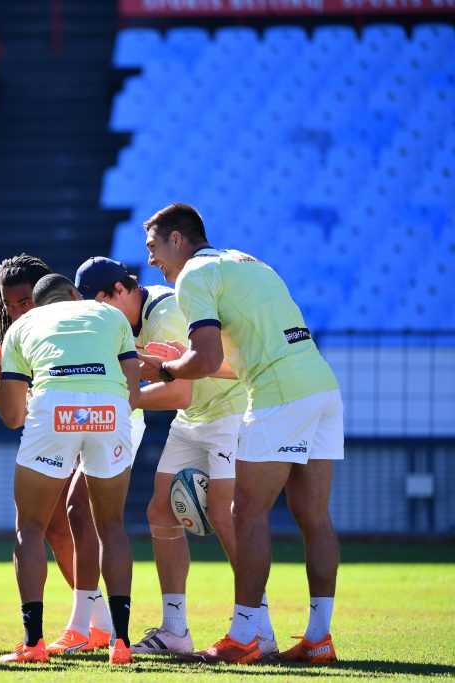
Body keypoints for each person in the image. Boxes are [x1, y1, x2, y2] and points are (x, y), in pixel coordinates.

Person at [140, 203, 342, 665]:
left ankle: (245, 636)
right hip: (321, 387)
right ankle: (319, 638)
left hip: (278, 395)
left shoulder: (193, 275)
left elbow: (206, 359)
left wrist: (166, 368)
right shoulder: (248, 261)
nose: (151, 259)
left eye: (153, 247)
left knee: (245, 513)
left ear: (177, 240)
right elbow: (235, 363)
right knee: (314, 516)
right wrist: (178, 362)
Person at [75, 257, 270, 656]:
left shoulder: (164, 315)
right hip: (194, 417)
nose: (98, 315)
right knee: (160, 512)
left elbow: (178, 391)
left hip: (229, 413)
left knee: (226, 516)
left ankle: (258, 630)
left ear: (120, 290)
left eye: (100, 304)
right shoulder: (124, 320)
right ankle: (175, 630)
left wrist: (117, 401)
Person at [0, 255, 143, 654]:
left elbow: (12, 417)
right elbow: (133, 393)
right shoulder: (111, 316)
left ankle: (33, 643)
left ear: (38, 305)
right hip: (110, 411)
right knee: (112, 526)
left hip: (54, 408)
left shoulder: (21, 327)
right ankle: (122, 643)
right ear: (75, 294)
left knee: (30, 529)